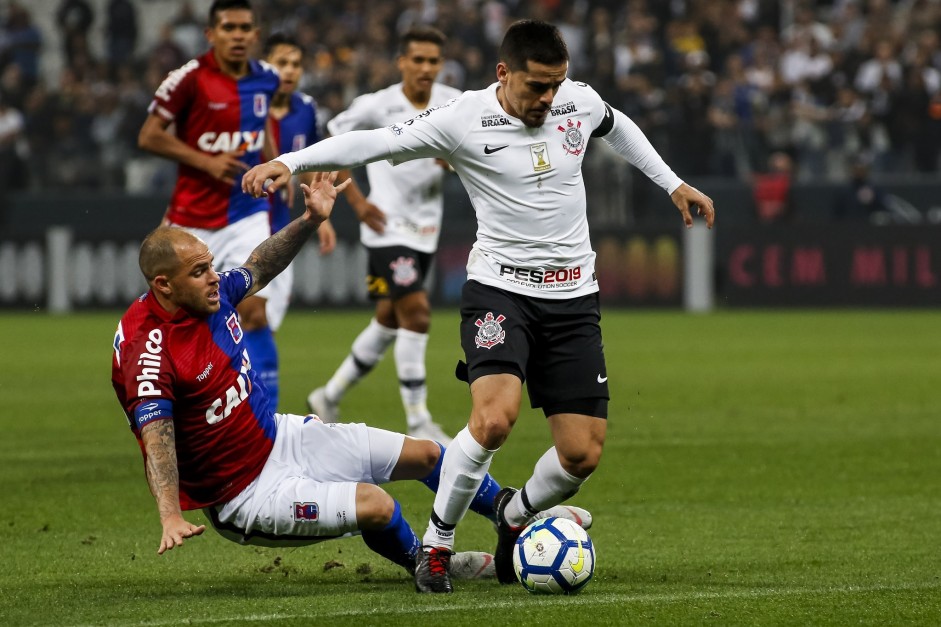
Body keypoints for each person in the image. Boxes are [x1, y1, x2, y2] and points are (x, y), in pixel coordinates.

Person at [243, 20, 715, 594]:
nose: (548, 99)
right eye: (536, 86)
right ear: (503, 73)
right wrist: (289, 164)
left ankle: (514, 517)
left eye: (556, 86)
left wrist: (673, 183)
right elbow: (376, 140)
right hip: (500, 291)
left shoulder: (577, 101)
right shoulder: (462, 119)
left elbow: (619, 128)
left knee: (582, 454)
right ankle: (438, 544)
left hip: (573, 299)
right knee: (493, 420)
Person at [111, 171, 590, 577]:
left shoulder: (210, 294)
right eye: (200, 272)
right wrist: (171, 515)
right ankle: (427, 562)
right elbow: (157, 439)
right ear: (163, 286)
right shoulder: (147, 352)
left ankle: (515, 515)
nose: (215, 277)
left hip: (280, 437)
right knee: (378, 506)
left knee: (426, 454)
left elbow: (259, 266)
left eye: (211, 266)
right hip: (246, 494)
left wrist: (310, 219)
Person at [305, 25, 460, 445]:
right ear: (402, 63)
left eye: (433, 61)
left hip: (427, 229)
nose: (426, 68)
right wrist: (356, 201)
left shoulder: (454, 103)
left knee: (390, 319)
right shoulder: (378, 105)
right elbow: (334, 141)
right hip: (386, 227)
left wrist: (454, 159)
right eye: (418, 59)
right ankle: (418, 421)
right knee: (418, 314)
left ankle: (328, 394)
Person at [138, 0, 284, 412]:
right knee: (175, 318)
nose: (237, 36)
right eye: (228, 28)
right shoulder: (188, 78)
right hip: (190, 222)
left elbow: (262, 129)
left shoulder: (267, 79)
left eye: (244, 28)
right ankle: (175, 407)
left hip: (246, 212)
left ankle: (263, 417)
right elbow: (149, 135)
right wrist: (206, 161)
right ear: (211, 34)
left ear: (255, 34)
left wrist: (274, 164)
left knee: (253, 310)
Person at [262, 32, 337, 405]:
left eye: (295, 64)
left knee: (266, 324)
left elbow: (311, 165)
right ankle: (257, 418)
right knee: (252, 318)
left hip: (280, 231)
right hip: (240, 224)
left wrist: (324, 220)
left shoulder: (306, 109)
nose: (289, 71)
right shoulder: (249, 107)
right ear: (265, 66)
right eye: (281, 63)